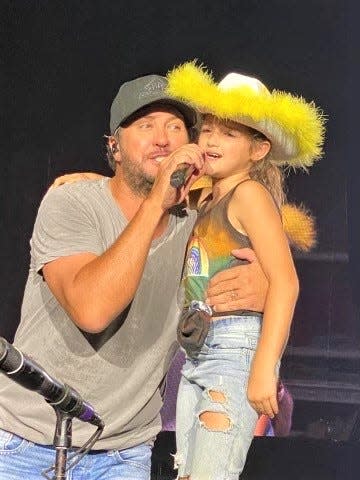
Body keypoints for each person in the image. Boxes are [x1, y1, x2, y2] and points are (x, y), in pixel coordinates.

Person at [0, 73, 268, 480]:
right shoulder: (71, 202)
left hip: (124, 455)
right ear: (115, 147)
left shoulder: (198, 222)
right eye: (145, 125)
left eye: (175, 126)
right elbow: (92, 310)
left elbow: (269, 253)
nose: (162, 138)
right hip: (26, 442)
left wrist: (265, 281)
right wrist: (155, 203)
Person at [165, 61, 325, 479]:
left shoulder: (249, 194)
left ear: (258, 149)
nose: (212, 139)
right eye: (208, 128)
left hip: (233, 349)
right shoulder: (204, 199)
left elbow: (285, 283)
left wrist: (264, 369)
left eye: (230, 132)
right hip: (196, 350)